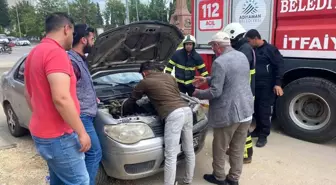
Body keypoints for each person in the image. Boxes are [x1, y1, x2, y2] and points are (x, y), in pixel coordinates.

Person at [24, 12, 90, 185]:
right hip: (59, 136)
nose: (72, 38)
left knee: (58, 180)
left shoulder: (34, 53)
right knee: (80, 181)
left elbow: (28, 93)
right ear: (67, 29)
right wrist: (82, 132)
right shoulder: (56, 53)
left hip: (42, 134)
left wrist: (44, 117)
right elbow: (61, 98)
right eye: (73, 33)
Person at [193, 31, 254, 185]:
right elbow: (232, 77)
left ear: (217, 46)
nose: (212, 50)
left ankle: (219, 177)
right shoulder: (242, 56)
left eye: (212, 46)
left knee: (219, 147)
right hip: (246, 111)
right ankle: (234, 178)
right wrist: (206, 78)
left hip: (229, 114)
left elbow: (215, 92)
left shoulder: (219, 62)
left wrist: (197, 93)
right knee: (237, 148)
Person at [123, 62, 195, 185]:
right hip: (186, 110)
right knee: (189, 149)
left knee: (170, 155)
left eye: (142, 74)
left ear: (144, 73)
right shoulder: (168, 76)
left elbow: (132, 100)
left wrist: (124, 113)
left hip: (173, 115)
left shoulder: (145, 82)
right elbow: (175, 94)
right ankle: (188, 180)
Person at [68, 24, 102, 185]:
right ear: (83, 40)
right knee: (94, 153)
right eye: (92, 38)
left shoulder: (81, 59)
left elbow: (81, 86)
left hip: (87, 112)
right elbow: (66, 91)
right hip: (82, 115)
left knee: (86, 154)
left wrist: (93, 98)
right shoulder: (71, 62)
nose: (93, 42)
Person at [245, 29, 284, 147]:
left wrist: (278, 83)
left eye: (249, 41)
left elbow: (280, 66)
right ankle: (257, 130)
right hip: (255, 85)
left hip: (267, 87)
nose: (248, 43)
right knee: (255, 108)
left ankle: (264, 135)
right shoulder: (253, 50)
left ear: (256, 38)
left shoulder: (271, 50)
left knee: (264, 110)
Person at [223, 22, 256, 164]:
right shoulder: (245, 47)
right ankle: (237, 149)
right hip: (246, 92)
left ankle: (246, 153)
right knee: (239, 124)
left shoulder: (244, 50)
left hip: (244, 93)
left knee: (241, 126)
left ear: (233, 35)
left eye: (230, 40)